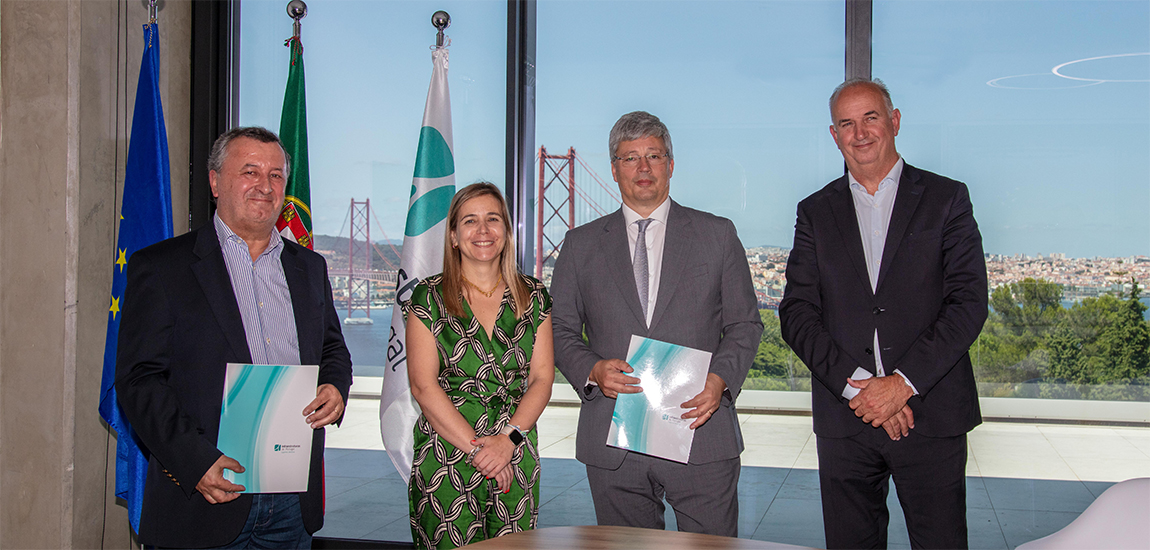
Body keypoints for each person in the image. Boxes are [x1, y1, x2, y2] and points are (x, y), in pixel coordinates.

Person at [115, 126, 353, 548]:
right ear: (214, 181)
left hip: (290, 506)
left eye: (276, 175)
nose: (265, 185)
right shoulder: (162, 267)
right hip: (200, 500)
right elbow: (138, 381)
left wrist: (335, 385)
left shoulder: (310, 268)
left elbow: (332, 347)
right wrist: (195, 462)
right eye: (250, 171)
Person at [779, 78, 987, 549]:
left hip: (928, 415)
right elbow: (796, 313)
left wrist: (901, 385)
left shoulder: (946, 198)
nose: (860, 132)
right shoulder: (814, 211)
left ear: (894, 121)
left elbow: (968, 302)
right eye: (846, 123)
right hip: (845, 419)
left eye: (870, 117)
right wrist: (859, 386)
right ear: (834, 136)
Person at [550, 111, 763, 536]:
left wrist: (719, 381)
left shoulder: (717, 235)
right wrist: (591, 370)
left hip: (701, 433)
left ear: (670, 164)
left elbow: (745, 324)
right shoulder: (580, 244)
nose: (643, 168)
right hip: (614, 440)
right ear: (613, 169)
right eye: (630, 158)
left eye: (654, 155)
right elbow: (559, 329)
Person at [404, 182, 555, 549]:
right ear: (453, 236)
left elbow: (542, 379)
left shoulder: (534, 295)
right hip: (447, 458)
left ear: (506, 231)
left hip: (515, 457)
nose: (483, 230)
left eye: (493, 219)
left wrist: (507, 441)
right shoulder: (429, 296)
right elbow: (424, 387)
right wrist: (480, 451)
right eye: (470, 221)